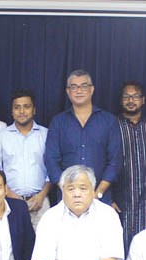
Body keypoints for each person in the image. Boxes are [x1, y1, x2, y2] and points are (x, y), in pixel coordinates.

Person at [44, 70, 123, 205]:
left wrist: (97, 193)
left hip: (100, 199)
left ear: (92, 90)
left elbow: (115, 162)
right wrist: (67, 190)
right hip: (66, 199)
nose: (79, 90)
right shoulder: (58, 122)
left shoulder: (109, 121)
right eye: (74, 87)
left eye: (84, 86)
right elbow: (51, 160)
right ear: (68, 91)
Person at [0, 90, 51, 228]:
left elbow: (53, 169)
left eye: (26, 106)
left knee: (43, 246)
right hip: (10, 201)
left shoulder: (46, 135)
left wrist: (42, 195)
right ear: (12, 111)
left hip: (40, 202)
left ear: (34, 110)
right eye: (17, 107)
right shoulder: (2, 137)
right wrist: (9, 193)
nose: (21, 111)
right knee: (13, 246)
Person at [112, 81, 146, 254]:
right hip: (119, 201)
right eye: (126, 96)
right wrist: (108, 198)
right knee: (118, 251)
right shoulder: (112, 127)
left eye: (135, 96)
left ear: (143, 100)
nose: (131, 100)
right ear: (121, 100)